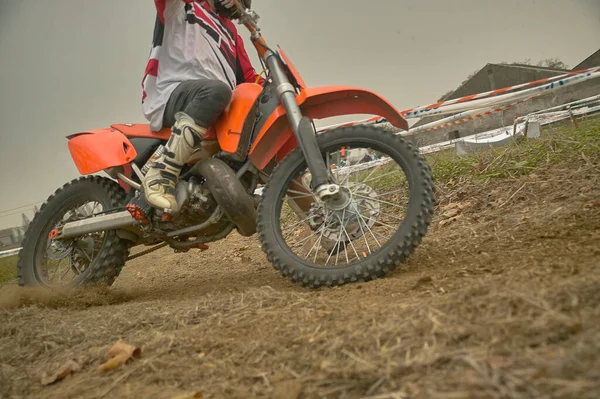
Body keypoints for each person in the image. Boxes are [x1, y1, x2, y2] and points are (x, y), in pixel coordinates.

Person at [140, 0, 263, 211]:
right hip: (174, 93)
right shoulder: (183, 6)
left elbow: (250, 78)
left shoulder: (232, 32)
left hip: (217, 106)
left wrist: (278, 85)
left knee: (257, 107)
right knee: (217, 90)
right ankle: (161, 174)